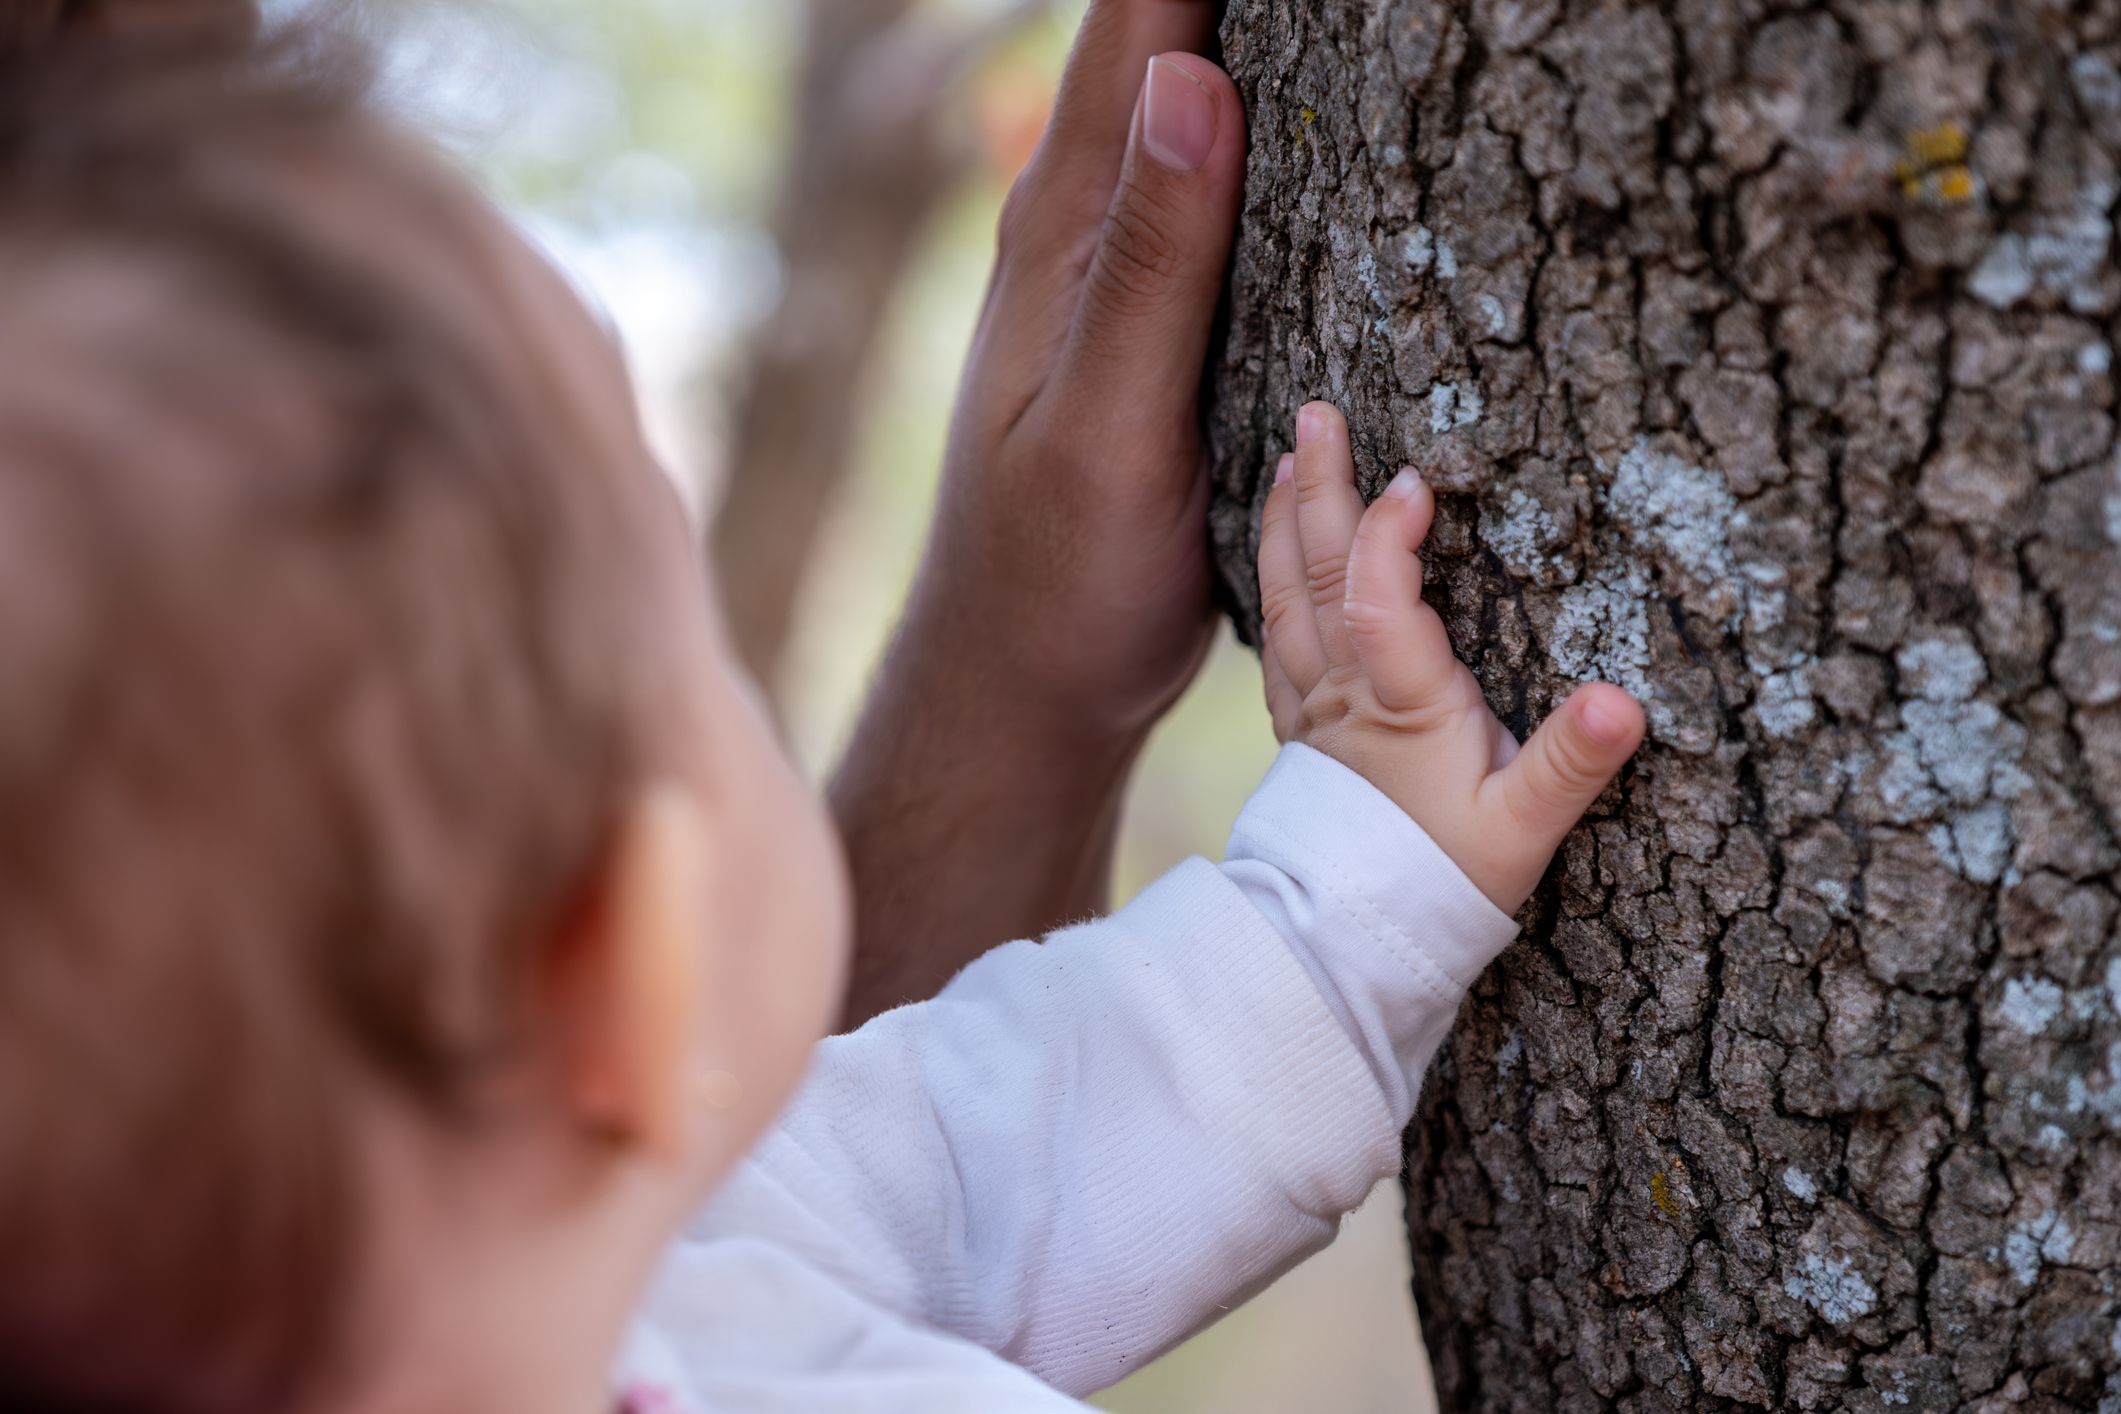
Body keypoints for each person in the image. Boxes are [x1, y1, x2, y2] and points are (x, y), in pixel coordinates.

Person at [0, 5, 1646, 1414]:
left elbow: (1038, 1141)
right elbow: (1028, 1160)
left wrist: (1359, 868)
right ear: (617, 961)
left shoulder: (695, 1250)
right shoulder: (712, 1277)